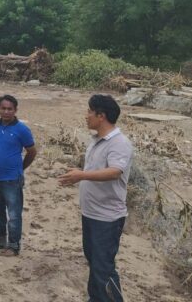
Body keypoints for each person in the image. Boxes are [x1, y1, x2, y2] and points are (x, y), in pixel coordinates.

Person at [58, 94, 134, 302]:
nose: (86, 116)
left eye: (90, 111)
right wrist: (79, 173)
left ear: (101, 116)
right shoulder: (96, 141)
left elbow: (114, 172)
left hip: (107, 218)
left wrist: (81, 175)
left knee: (103, 268)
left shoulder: (119, 143)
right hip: (91, 213)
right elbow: (98, 170)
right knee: (94, 262)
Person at [0, 95, 36, 257]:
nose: (6, 112)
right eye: (3, 108)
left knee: (13, 215)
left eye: (10, 109)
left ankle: (13, 246)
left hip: (12, 180)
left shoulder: (22, 129)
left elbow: (32, 151)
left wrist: (20, 168)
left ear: (15, 110)